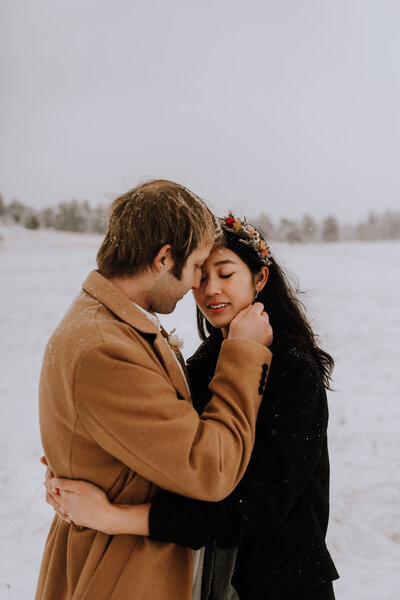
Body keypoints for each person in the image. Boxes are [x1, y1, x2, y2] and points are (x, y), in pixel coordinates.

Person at [46, 213, 339, 599]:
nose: (210, 290)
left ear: (260, 278)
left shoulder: (293, 369)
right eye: (201, 276)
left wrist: (113, 517)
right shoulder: (207, 359)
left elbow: (255, 505)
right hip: (206, 577)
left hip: (279, 583)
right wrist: (73, 470)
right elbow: (167, 448)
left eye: (226, 274)